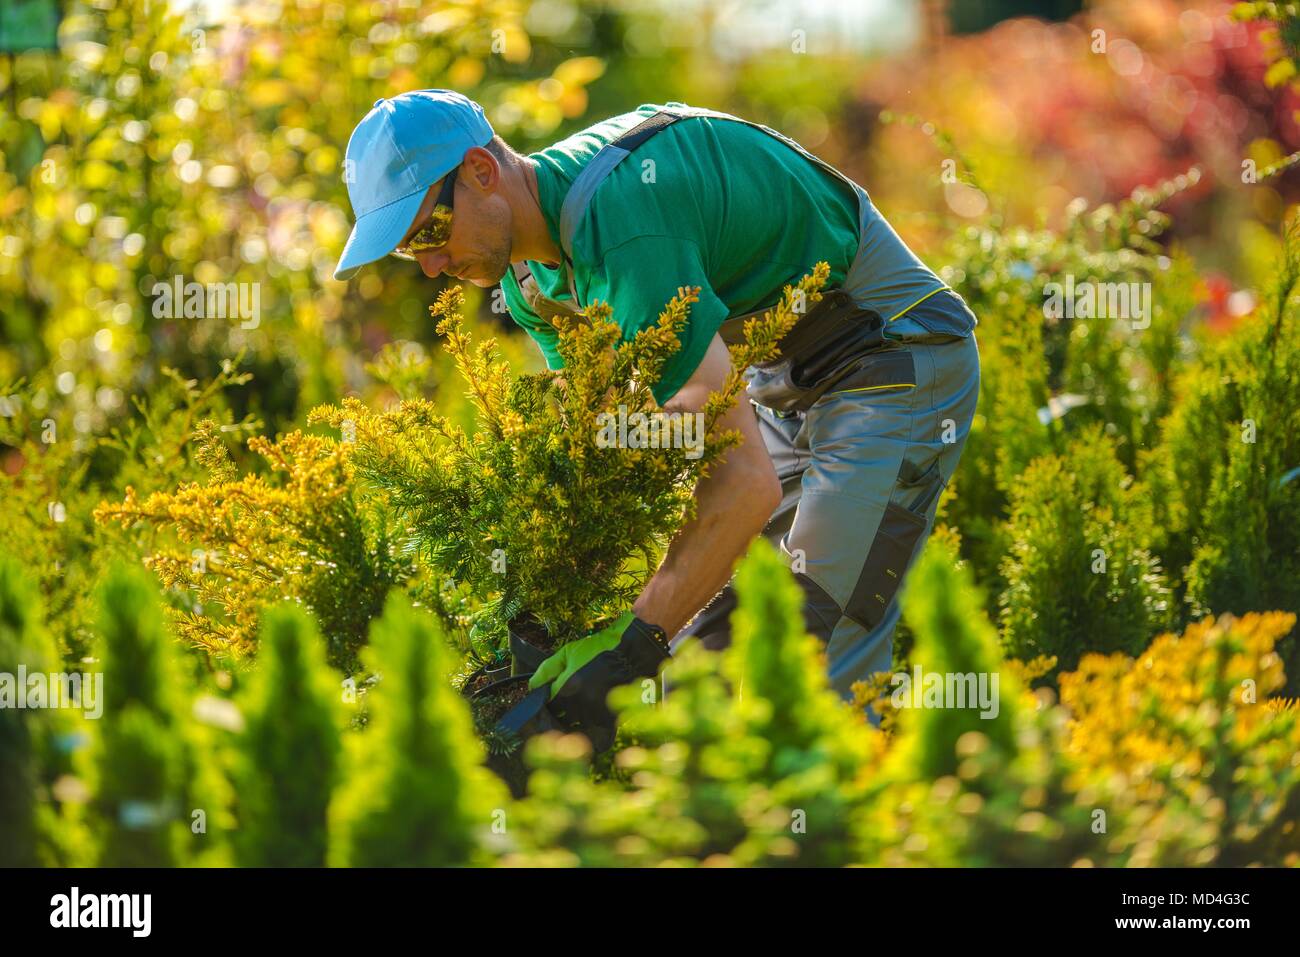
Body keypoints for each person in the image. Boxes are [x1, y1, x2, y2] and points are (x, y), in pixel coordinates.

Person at [334, 90, 980, 749]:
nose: (431, 266)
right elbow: (627, 436)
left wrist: (635, 644)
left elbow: (739, 479)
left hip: (894, 351)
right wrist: (560, 606)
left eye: (430, 233)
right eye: (407, 250)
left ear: (480, 171)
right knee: (722, 650)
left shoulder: (628, 224)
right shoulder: (530, 284)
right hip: (784, 383)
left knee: (814, 638)